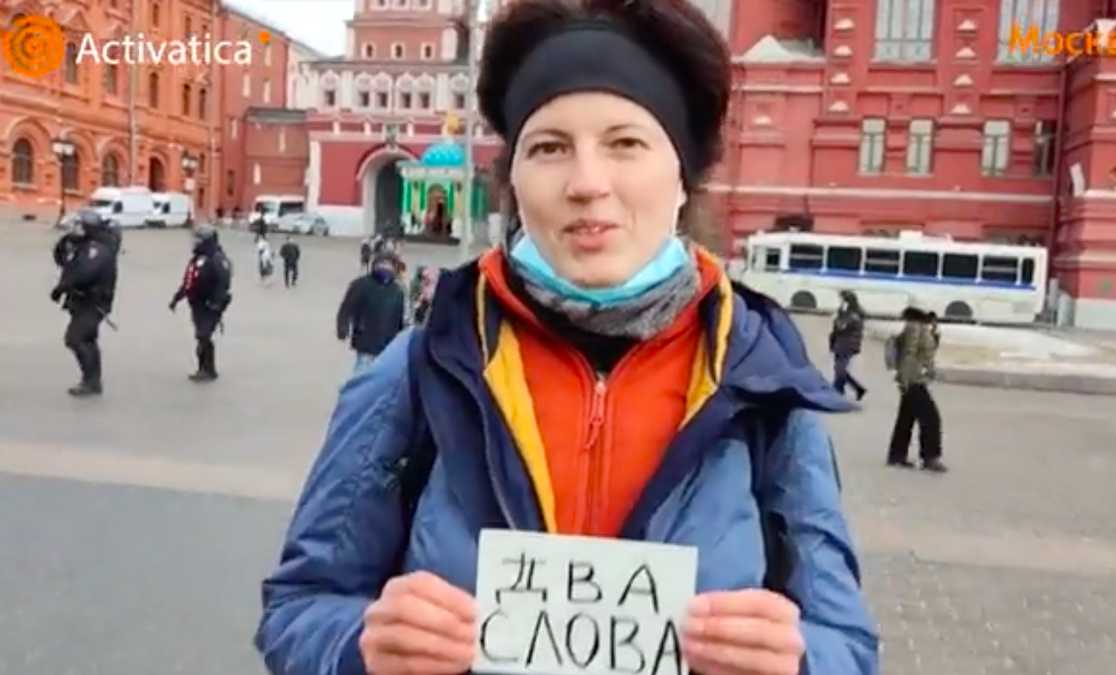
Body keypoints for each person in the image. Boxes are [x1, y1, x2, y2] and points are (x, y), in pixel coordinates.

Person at [255, 2, 878, 674]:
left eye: (625, 143)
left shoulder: (763, 382)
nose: (587, 183)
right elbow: (299, 607)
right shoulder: (420, 366)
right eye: (549, 147)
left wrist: (801, 660)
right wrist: (361, 643)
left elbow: (847, 644)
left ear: (682, 178)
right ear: (514, 181)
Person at [50, 210, 119, 396]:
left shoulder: (98, 249)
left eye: (79, 225)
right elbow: (62, 259)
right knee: (87, 339)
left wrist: (61, 287)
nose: (75, 228)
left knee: (76, 338)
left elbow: (84, 273)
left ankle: (91, 382)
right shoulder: (85, 244)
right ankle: (92, 381)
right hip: (81, 300)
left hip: (93, 302)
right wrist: (68, 240)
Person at [886, 304, 948, 472]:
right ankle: (930, 457)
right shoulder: (914, 327)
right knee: (931, 418)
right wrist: (905, 380)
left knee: (905, 419)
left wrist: (934, 333)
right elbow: (909, 353)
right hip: (913, 380)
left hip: (914, 379)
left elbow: (927, 351)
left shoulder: (922, 328)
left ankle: (897, 456)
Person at [170, 225, 233, 382]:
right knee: (201, 336)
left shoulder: (217, 258)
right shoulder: (198, 258)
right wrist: (177, 298)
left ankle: (207, 370)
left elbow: (223, 283)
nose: (195, 242)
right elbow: (189, 281)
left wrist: (216, 303)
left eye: (199, 239)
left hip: (210, 305)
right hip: (197, 304)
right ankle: (205, 368)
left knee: (203, 336)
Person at [335, 249, 407, 374]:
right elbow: (346, 308)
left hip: (388, 342)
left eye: (389, 265)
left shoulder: (397, 291)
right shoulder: (361, 284)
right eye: (382, 264)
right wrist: (343, 327)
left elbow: (399, 317)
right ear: (375, 265)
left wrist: (401, 339)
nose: (385, 267)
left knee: (381, 377)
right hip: (366, 339)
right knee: (362, 373)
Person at [829, 290, 867, 401]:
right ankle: (839, 390)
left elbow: (841, 326)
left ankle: (848, 389)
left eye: (842, 300)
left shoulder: (853, 315)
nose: (840, 302)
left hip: (847, 345)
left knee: (840, 369)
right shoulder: (849, 313)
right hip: (841, 343)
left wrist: (837, 316)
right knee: (839, 369)